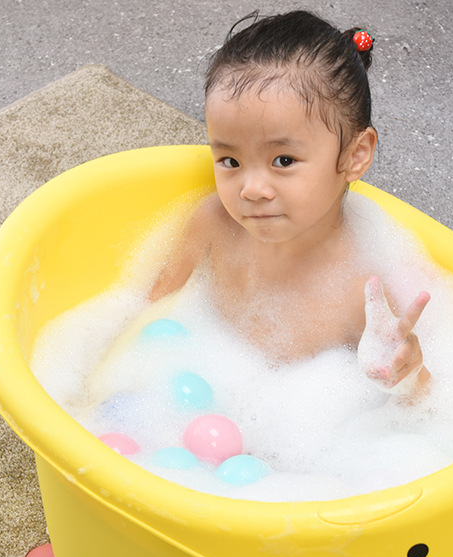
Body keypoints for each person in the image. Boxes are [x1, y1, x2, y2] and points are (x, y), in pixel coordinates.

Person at [150, 10, 431, 395]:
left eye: (283, 161)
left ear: (355, 155)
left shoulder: (361, 294)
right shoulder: (213, 221)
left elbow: (422, 405)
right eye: (230, 161)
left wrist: (407, 373)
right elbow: (148, 310)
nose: (251, 189)